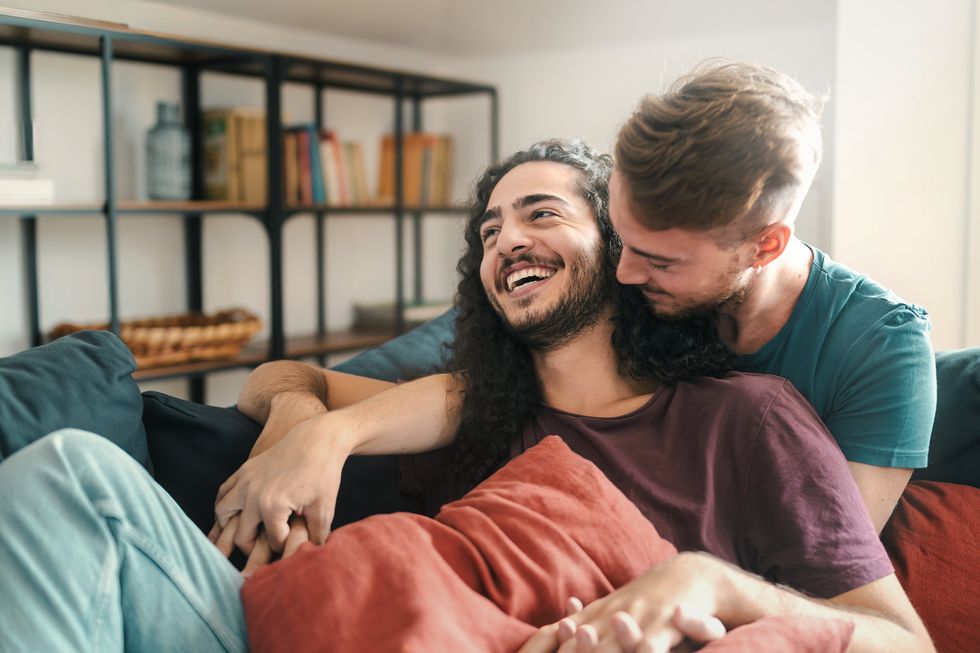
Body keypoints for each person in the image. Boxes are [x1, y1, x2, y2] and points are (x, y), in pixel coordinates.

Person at [211, 140, 932, 652]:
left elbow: (903, 640)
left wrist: (715, 583)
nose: (506, 242)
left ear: (621, 246)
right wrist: (312, 429)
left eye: (542, 214)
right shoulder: (466, 413)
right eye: (489, 232)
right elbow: (281, 376)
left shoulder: (748, 418)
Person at [220, 61, 934, 553]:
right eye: (622, 240)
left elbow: (828, 567)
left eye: (658, 261)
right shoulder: (539, 342)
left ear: (763, 246)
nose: (626, 273)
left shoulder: (865, 354)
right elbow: (441, 388)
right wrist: (314, 427)